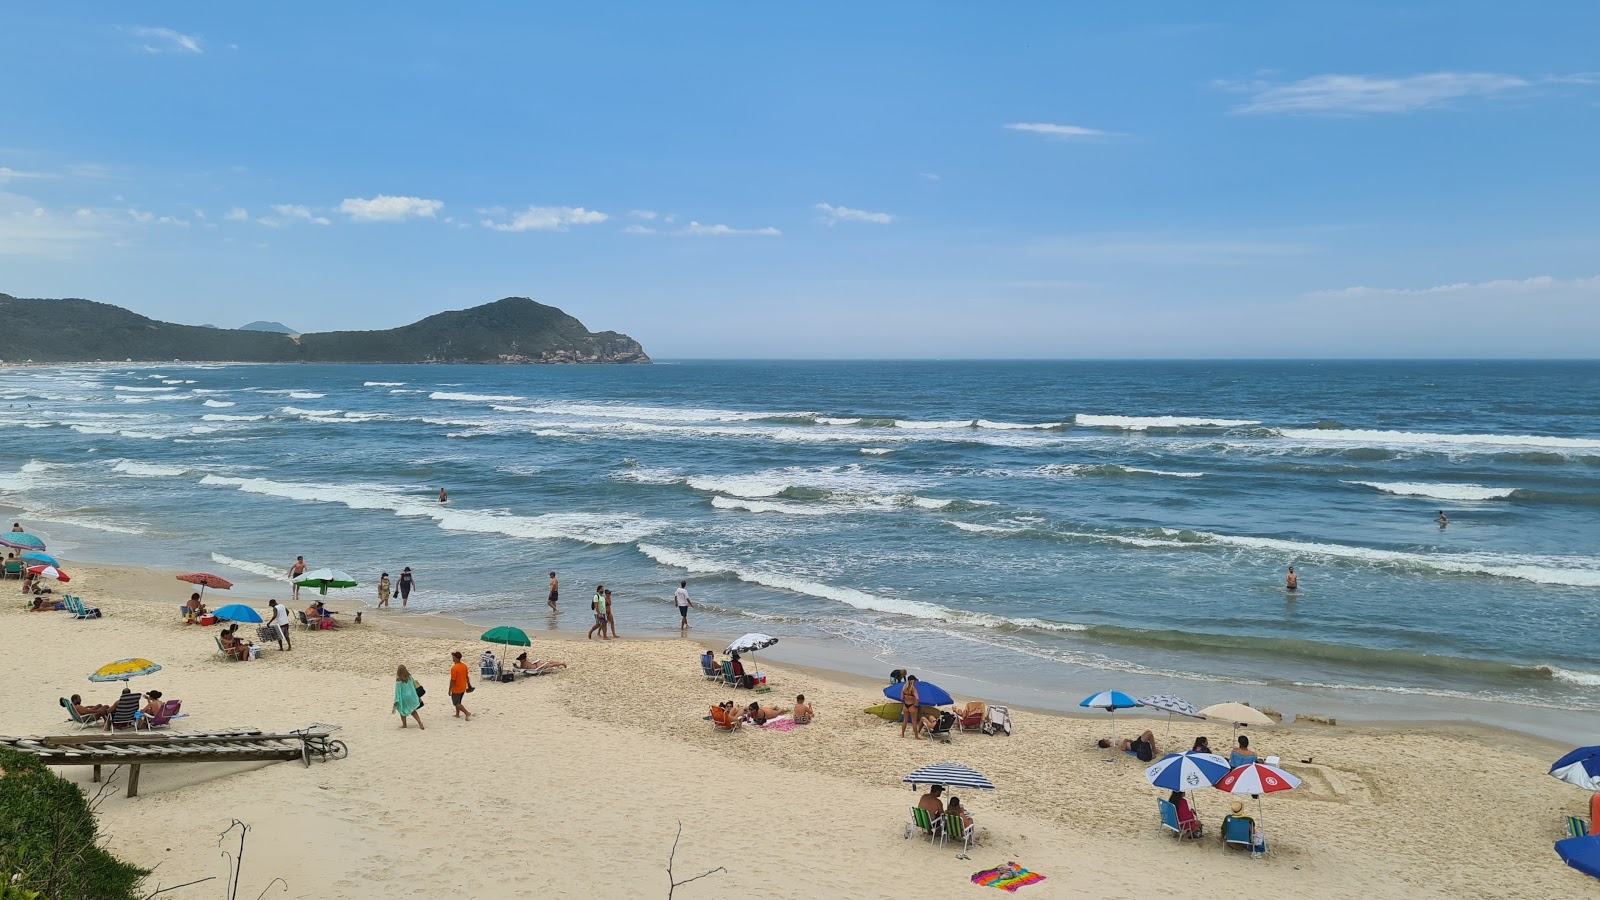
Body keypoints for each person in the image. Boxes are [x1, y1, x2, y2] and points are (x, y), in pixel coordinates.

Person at [394, 664, 424, 729]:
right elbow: (414, 686)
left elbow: (398, 691)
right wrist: (418, 697)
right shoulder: (410, 677)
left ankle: (404, 725)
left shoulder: (399, 680)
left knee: (402, 711)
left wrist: (396, 700)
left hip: (404, 697)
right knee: (413, 710)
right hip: (412, 695)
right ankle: (419, 722)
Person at [448, 651, 472, 721]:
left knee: (456, 703)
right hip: (463, 687)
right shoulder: (464, 666)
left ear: (455, 658)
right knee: (459, 701)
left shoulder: (454, 668)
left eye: (453, 657)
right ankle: (457, 714)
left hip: (456, 688)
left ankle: (467, 713)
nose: (452, 658)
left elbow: (452, 680)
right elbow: (466, 676)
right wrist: (469, 684)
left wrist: (450, 689)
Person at [901, 675, 921, 739]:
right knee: (914, 722)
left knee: (905, 720)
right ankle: (916, 736)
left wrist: (907, 697)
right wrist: (916, 704)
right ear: (913, 681)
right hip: (912, 706)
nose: (916, 682)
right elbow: (917, 698)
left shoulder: (904, 688)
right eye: (915, 681)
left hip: (905, 705)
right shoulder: (913, 689)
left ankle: (902, 734)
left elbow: (902, 698)